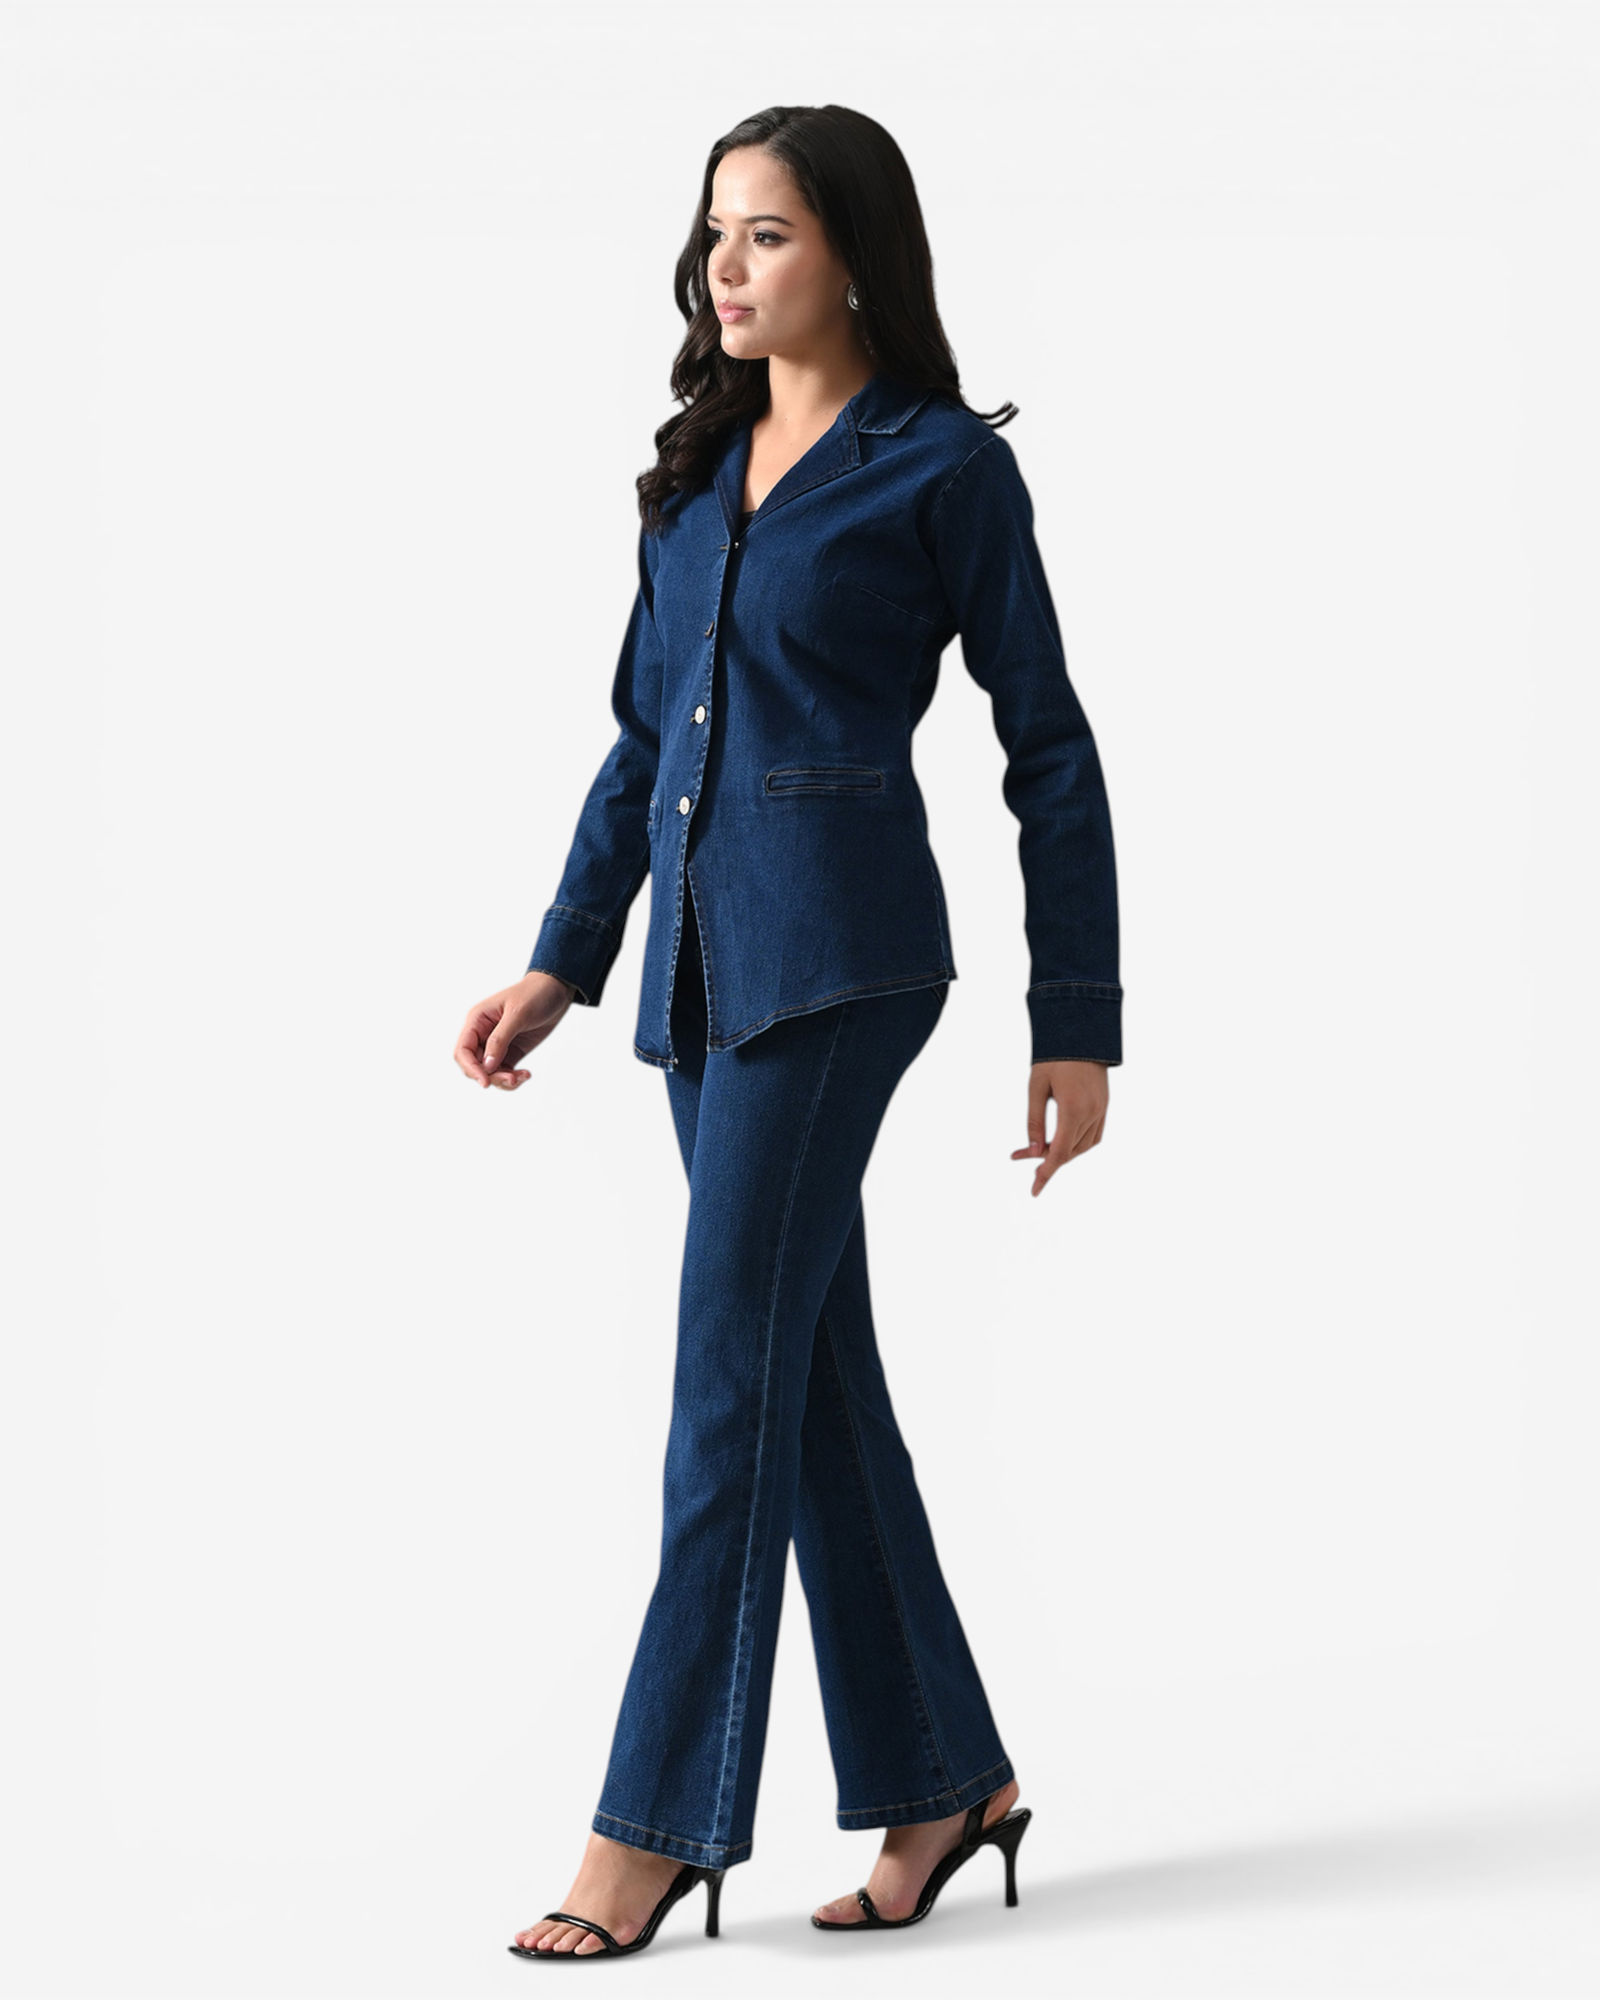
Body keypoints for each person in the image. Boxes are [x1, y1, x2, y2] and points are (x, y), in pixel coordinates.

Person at [454, 103, 1123, 1960]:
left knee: (725, 1387)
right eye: (714, 234)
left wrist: (1076, 1020)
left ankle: (652, 1829)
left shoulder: (941, 469)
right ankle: (945, 1780)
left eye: (766, 234)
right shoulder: (691, 478)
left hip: (842, 965)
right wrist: (563, 962)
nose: (725, 269)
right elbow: (639, 743)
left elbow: (1049, 745)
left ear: (854, 255)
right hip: (699, 972)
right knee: (809, 1379)